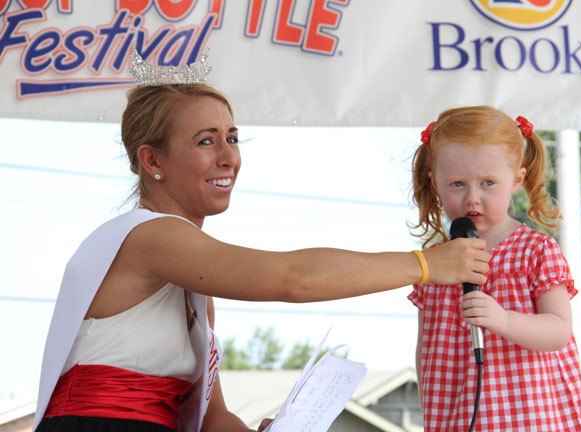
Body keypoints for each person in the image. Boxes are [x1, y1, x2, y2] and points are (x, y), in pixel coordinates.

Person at [33, 58, 491, 432]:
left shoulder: (193, 275)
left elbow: (211, 418)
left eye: (232, 138)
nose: (228, 156)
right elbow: (291, 280)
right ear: (152, 160)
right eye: (206, 141)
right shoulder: (150, 235)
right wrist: (425, 264)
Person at [408, 106, 581, 431]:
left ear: (516, 181)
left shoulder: (536, 250)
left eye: (488, 183)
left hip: (530, 416)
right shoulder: (433, 262)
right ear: (434, 182)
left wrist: (503, 319)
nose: (472, 198)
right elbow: (427, 349)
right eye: (456, 184)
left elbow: (559, 331)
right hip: (460, 417)